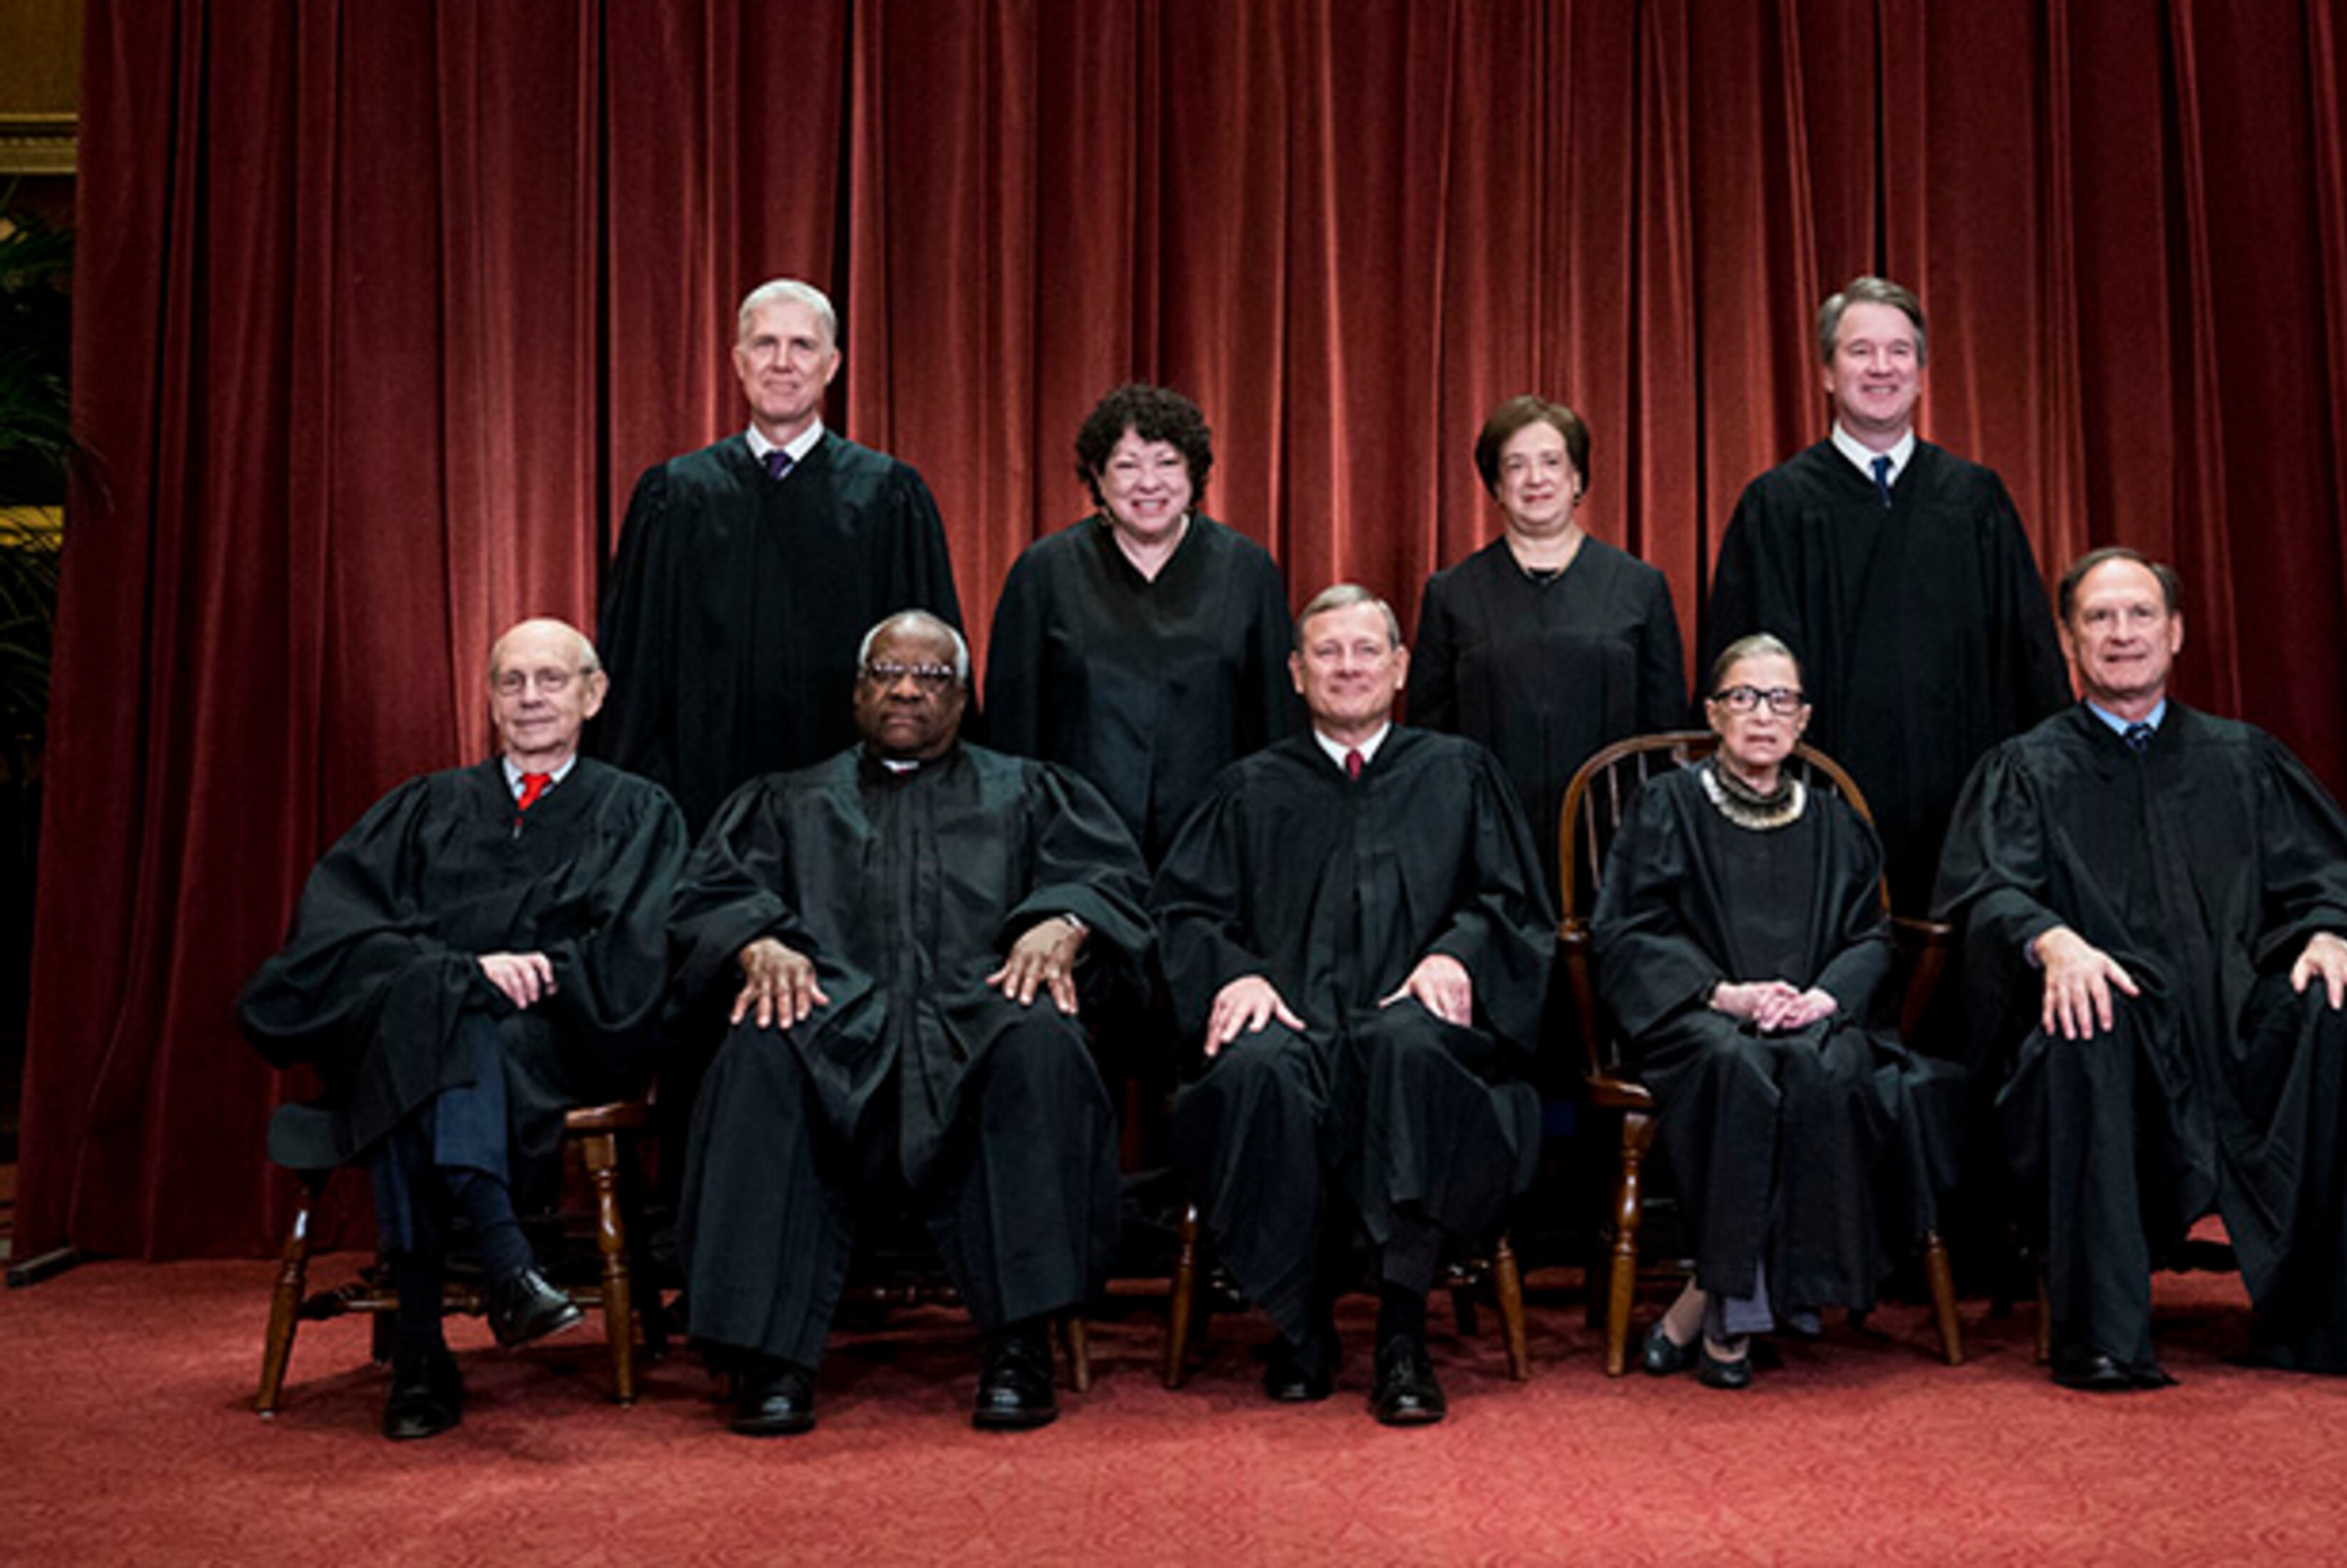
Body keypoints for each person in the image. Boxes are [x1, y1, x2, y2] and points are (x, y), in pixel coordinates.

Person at [1933, 548, 2347, 1392]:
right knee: (2089, 1018)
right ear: (2069, 640)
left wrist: (2330, 935)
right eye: (2098, 617)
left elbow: (2332, 880)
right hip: (2119, 1030)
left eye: (2140, 614)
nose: (2122, 633)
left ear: (2176, 632)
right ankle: (2103, 1336)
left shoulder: (2242, 759)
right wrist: (2052, 940)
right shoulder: (2028, 769)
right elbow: (1987, 890)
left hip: (2241, 1027)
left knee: (2344, 1012)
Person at [669, 611, 1151, 1436]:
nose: (904, 688)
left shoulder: (1029, 792)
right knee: (760, 1047)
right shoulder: (787, 801)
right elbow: (709, 895)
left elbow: (1108, 878)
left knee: (1039, 1039)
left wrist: (1065, 921)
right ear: (857, 690)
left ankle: (1019, 1344)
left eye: (929, 675)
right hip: (831, 1028)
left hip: (974, 1024)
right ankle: (770, 1354)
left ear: (961, 697)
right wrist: (757, 942)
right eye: (886, 671)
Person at [238, 619, 687, 1440]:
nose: (530, 698)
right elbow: (339, 933)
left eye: (551, 679)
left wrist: (517, 973)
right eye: (511, 681)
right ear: (488, 698)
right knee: (437, 1016)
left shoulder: (636, 810)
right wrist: (463, 972)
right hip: (436, 1034)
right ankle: (507, 1264)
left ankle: (420, 1350)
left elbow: (635, 951)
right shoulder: (425, 805)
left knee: (430, 1037)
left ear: (593, 694)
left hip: (558, 1039)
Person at [1154, 585, 1553, 1426]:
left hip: (1413, 1025)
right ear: (1297, 673)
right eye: (1327, 652)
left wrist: (1455, 954)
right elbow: (1187, 913)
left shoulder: (1458, 773)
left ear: (1400, 667)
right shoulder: (1248, 789)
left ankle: (1403, 1333)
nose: (1348, 667)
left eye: (1367, 650)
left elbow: (1512, 903)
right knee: (1258, 1067)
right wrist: (1235, 973)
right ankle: (1300, 1326)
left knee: (1411, 1052)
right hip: (1294, 1021)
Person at [1590, 635, 1959, 1390]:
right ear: (1714, 713)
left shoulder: (1835, 823)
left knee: (1830, 1066)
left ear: (1803, 718)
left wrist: (1822, 997)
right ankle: (1734, 1320)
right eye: (1744, 697)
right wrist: (1728, 995)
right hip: (1700, 1016)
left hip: (1813, 1015)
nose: (1763, 714)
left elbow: (1870, 937)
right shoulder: (1666, 807)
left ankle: (1706, 1302)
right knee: (1739, 1065)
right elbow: (1629, 931)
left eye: (1780, 699)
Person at [1701, 275, 2069, 942]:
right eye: (1860, 351)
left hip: (1965, 806)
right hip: (1819, 810)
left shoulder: (1976, 500)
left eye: (1899, 352)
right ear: (1826, 372)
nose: (1881, 368)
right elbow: (1736, 672)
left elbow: (2030, 656)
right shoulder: (1776, 506)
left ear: (1921, 374)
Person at [594, 279, 962, 834]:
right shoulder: (674, 496)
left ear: (832, 365)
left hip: (854, 813)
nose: (782, 362)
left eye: (802, 345)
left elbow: (931, 668)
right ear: (739, 362)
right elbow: (634, 670)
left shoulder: (888, 497)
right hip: (701, 801)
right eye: (765, 344)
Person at [982, 382, 1296, 866]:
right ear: (1098, 476)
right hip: (1075, 848)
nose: (1149, 483)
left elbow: (1276, 720)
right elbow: (1012, 731)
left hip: (1217, 849)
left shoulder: (1247, 570)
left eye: (1167, 463)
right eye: (1127, 465)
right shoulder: (1044, 571)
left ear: (1194, 473)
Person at [1405, 394, 1687, 875]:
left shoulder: (1640, 586)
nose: (1536, 479)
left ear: (1577, 478)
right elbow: (1429, 736)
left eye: (1552, 462)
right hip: (1486, 846)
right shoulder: (1452, 593)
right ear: (1496, 485)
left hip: (1613, 846)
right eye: (1515, 465)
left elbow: (1664, 736)